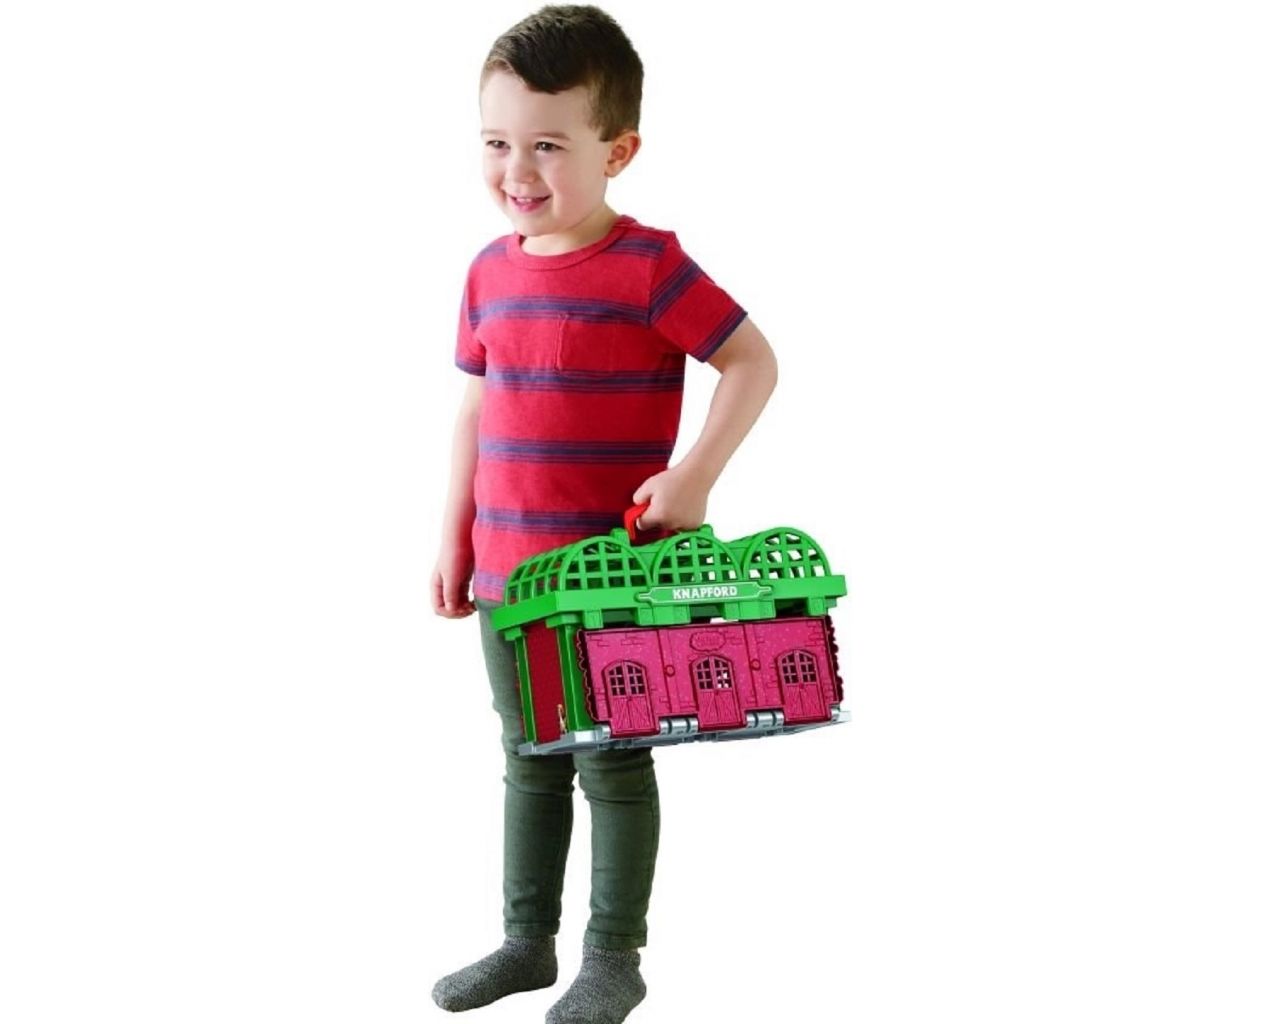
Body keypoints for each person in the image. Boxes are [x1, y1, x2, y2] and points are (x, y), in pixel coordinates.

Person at [429, 6, 778, 1021]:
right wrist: (453, 531)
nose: (516, 170)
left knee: (611, 762)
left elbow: (751, 361)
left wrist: (695, 476)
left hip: (611, 576)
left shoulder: (648, 266)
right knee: (526, 758)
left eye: (547, 145)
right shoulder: (487, 272)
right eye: (496, 143)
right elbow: (477, 407)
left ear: (617, 151)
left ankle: (613, 957)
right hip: (507, 574)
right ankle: (524, 942)